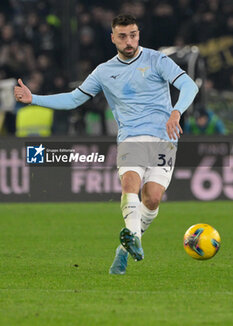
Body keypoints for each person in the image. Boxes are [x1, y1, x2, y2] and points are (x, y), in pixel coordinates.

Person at [14, 14, 199, 275]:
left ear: (138, 34)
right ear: (112, 38)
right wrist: (34, 98)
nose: (129, 41)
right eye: (122, 36)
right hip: (131, 138)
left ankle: (124, 248)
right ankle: (133, 240)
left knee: (153, 198)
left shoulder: (157, 60)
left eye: (133, 34)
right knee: (130, 184)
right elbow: (73, 99)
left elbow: (189, 86)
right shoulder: (104, 71)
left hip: (164, 139)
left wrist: (177, 111)